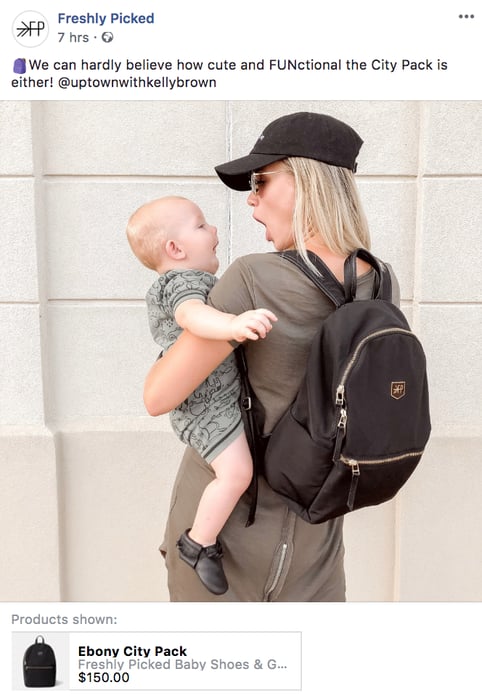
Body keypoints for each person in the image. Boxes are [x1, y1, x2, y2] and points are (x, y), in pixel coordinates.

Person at [143, 112, 401, 602]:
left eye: (261, 181)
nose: (251, 198)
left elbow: (158, 397)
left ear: (304, 182)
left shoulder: (251, 277)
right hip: (319, 536)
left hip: (222, 537)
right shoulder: (379, 280)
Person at [126, 196, 277, 595]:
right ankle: (199, 542)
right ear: (175, 249)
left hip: (216, 398)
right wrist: (233, 324)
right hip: (206, 406)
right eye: (201, 225)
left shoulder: (193, 280)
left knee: (238, 471)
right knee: (237, 473)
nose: (213, 230)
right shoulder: (183, 283)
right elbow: (191, 316)